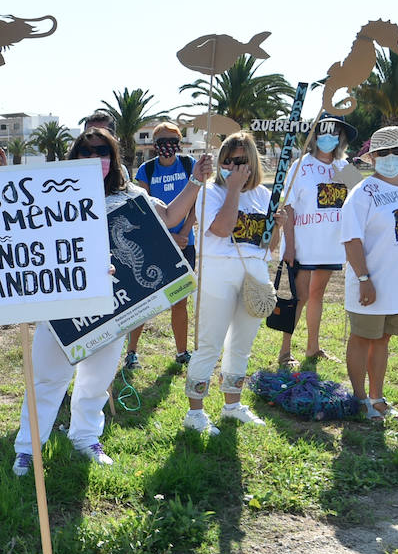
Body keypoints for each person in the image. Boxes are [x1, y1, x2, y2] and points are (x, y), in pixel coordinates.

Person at [12, 128, 213, 474]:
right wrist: (0, 173)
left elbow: (169, 217)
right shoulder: (50, 197)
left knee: (97, 378)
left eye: (102, 151)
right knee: (48, 378)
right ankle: (29, 448)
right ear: (74, 157)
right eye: (86, 151)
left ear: (113, 157)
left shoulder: (130, 195)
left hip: (114, 301)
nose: (94, 158)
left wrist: (195, 181)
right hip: (63, 300)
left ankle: (85, 437)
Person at [182, 131, 290, 436]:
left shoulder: (264, 195)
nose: (234, 166)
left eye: (241, 160)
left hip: (254, 272)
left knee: (241, 344)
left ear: (252, 162)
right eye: (227, 160)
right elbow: (220, 229)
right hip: (217, 271)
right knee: (209, 343)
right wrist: (232, 189)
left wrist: (278, 226)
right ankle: (195, 412)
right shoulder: (211, 191)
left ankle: (232, 406)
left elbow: (269, 245)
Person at [340, 125, 398, 420]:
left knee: (383, 340)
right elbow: (351, 239)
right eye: (384, 152)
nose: (392, 157)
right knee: (362, 337)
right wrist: (364, 279)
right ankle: (359, 399)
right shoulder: (362, 193)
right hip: (371, 284)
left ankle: (377, 396)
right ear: (373, 157)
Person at [277, 113, 358, 368]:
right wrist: (289, 245)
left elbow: (360, 202)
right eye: (323, 133)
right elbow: (288, 207)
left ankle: (313, 347)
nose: (329, 138)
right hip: (304, 245)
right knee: (299, 297)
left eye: (334, 134)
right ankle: (284, 351)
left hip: (330, 246)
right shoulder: (300, 165)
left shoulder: (346, 168)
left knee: (317, 295)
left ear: (341, 138)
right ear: (314, 137)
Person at [126, 121, 197, 369]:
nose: (168, 146)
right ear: (155, 146)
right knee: (144, 299)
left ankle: (181, 352)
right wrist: (168, 238)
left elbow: (196, 203)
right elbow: (144, 209)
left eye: (172, 141)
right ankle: (132, 352)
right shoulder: (146, 170)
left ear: (179, 143)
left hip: (185, 243)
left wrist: (184, 234)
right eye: (162, 142)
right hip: (155, 243)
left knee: (180, 301)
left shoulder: (190, 165)